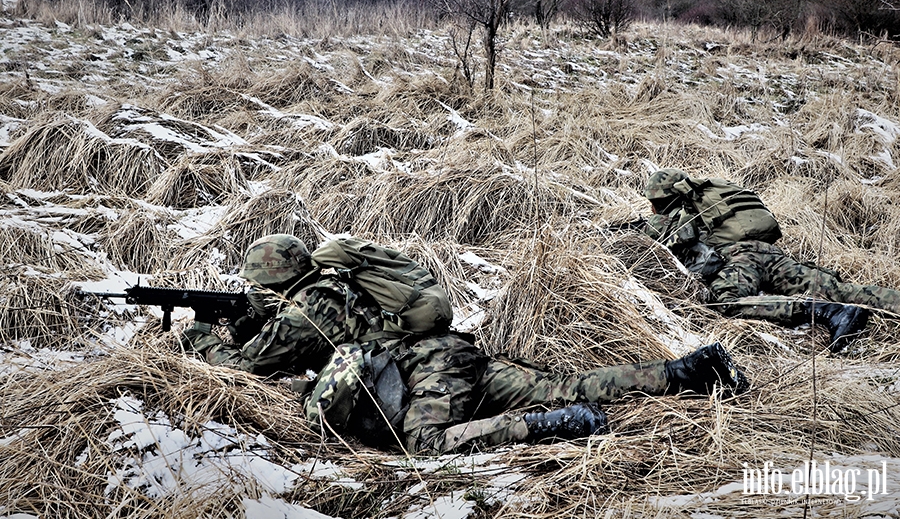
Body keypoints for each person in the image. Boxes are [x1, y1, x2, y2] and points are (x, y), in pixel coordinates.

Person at [181, 233, 749, 455]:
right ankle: (691, 370)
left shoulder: (309, 308)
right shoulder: (344, 281)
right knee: (558, 382)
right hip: (455, 350)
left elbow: (250, 368)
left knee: (425, 445)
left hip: (426, 371)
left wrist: (205, 336)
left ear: (272, 283)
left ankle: (557, 424)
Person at [640, 168, 900, 352]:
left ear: (657, 201)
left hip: (739, 260)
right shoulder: (708, 201)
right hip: (769, 252)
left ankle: (823, 311)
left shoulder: (671, 216)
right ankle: (892, 300)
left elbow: (642, 241)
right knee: (835, 289)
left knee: (727, 301)